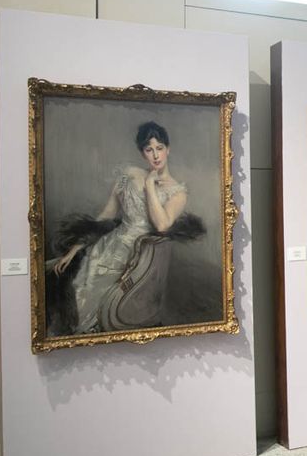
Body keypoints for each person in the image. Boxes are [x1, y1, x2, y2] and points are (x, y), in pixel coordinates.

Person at [46, 121, 200, 334]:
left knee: (96, 301)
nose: (155, 155)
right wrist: (76, 247)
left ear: (168, 149)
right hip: (108, 247)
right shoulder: (130, 174)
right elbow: (106, 215)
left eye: (159, 148)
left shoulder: (177, 192)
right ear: (142, 153)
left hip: (137, 258)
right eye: (149, 150)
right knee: (73, 288)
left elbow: (162, 225)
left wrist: (149, 186)